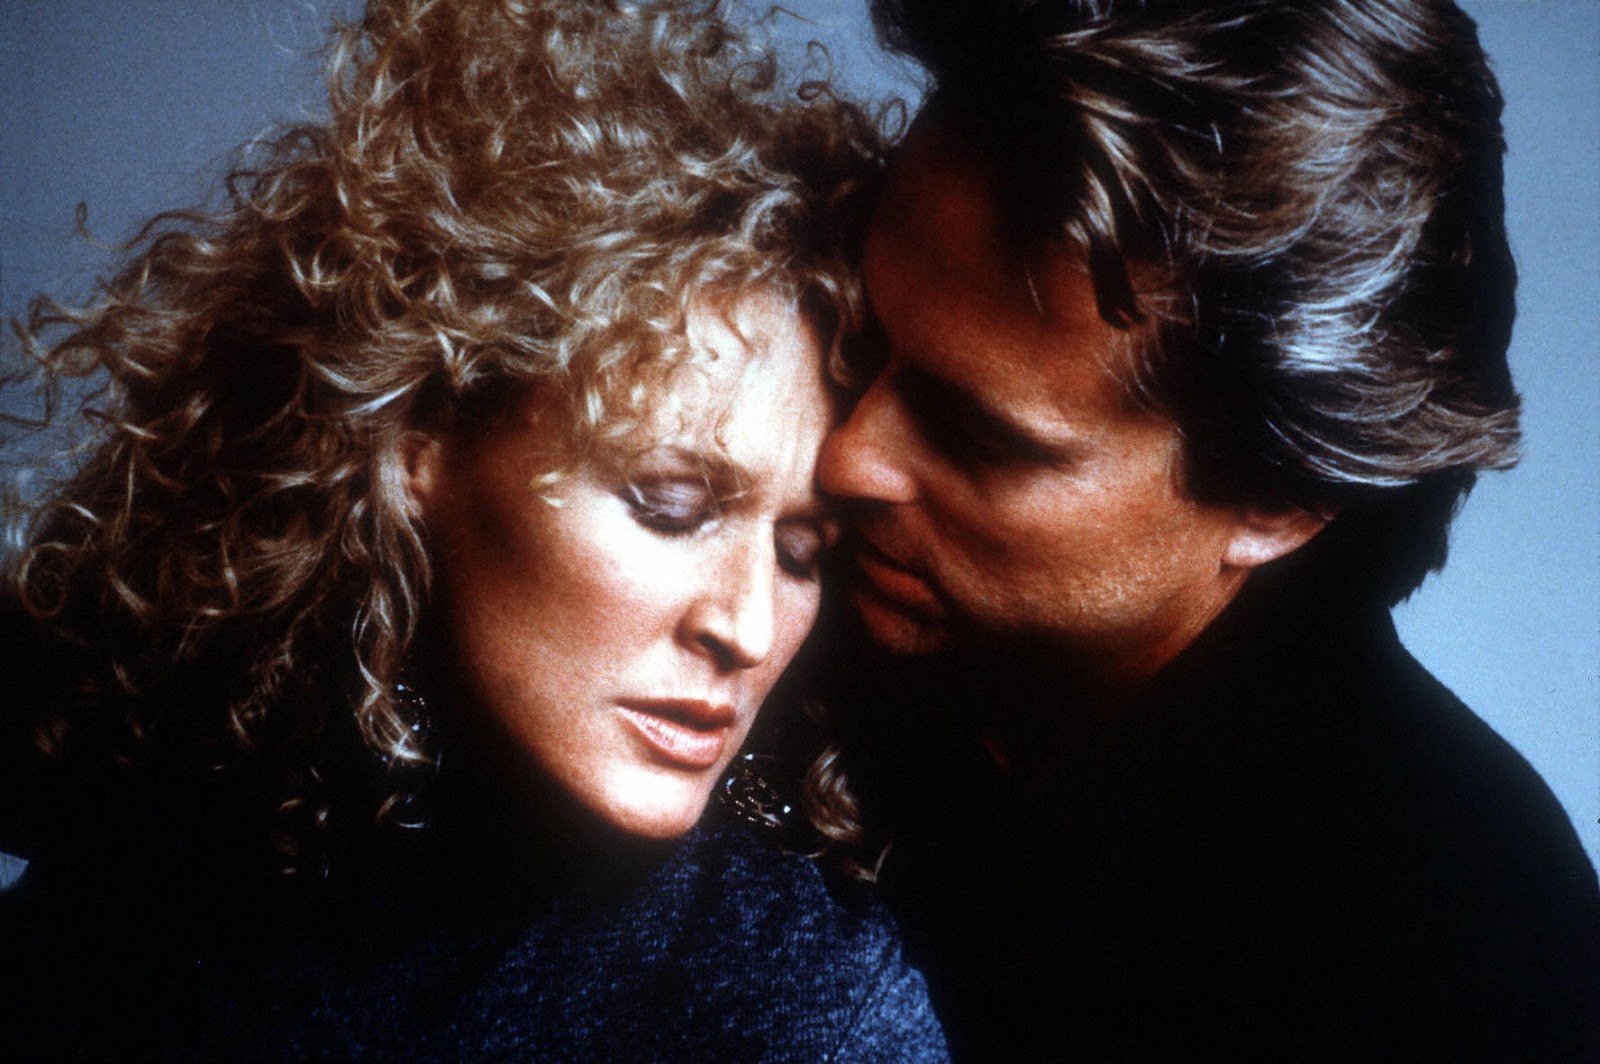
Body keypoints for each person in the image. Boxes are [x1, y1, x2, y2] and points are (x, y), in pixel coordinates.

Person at [0, 1, 949, 1059]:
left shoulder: (803, 1006)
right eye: (669, 507)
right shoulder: (161, 816)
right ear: (418, 440)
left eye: (803, 551)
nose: (748, 625)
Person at [813, 0, 1600, 1059]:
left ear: (1276, 500)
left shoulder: (1463, 957)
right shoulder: (777, 605)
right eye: (860, 338)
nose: (846, 460)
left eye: (977, 437)